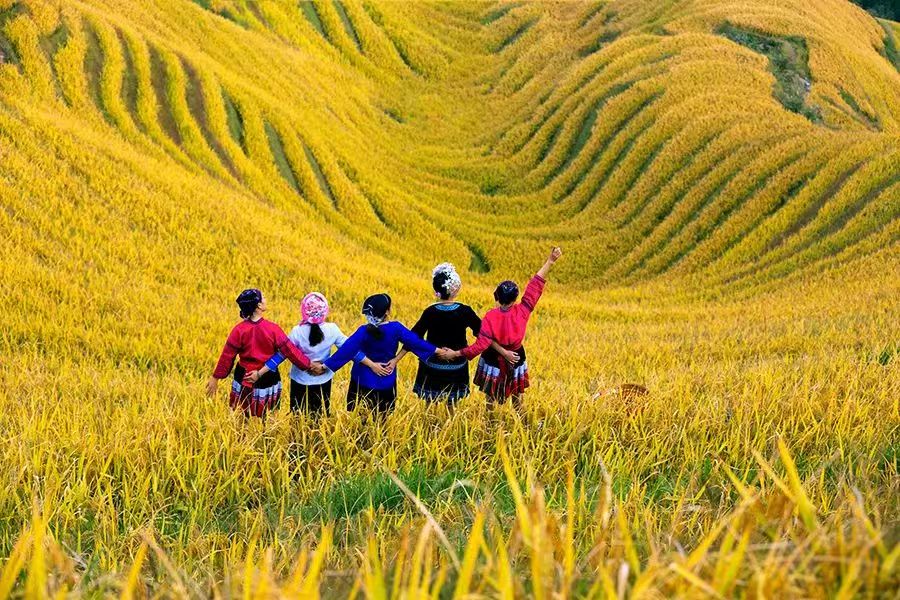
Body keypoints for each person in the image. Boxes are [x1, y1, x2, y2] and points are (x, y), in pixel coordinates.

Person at [443, 247, 562, 406]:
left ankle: (490, 421)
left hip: (492, 359)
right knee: (517, 397)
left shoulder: (490, 316)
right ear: (515, 298)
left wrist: (455, 353)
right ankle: (521, 419)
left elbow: (480, 346)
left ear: (497, 297)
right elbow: (535, 285)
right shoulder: (523, 311)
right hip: (516, 357)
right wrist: (550, 261)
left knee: (490, 399)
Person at [389, 263, 516, 405]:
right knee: (452, 405)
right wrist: (504, 352)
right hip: (456, 367)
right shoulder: (465, 311)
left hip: (432, 367)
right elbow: (485, 336)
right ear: (455, 289)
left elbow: (413, 338)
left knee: (429, 405)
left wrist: (395, 360)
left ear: (436, 291)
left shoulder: (430, 312)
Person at [244, 292, 390, 414]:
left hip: (300, 381)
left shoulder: (297, 331)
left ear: (303, 311)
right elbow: (350, 350)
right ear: (325, 311)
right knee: (320, 416)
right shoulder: (332, 329)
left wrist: (259, 373)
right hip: (323, 381)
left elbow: (281, 355)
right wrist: (372, 365)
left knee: (297, 416)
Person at [322, 293, 451, 414]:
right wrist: (439, 351)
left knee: (360, 414)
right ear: (387, 312)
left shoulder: (363, 331)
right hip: (386, 379)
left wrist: (325, 366)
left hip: (362, 379)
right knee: (383, 416)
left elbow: (346, 350)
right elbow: (416, 342)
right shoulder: (395, 328)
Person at [207, 289, 325, 418]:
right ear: (258, 305)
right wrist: (309, 365)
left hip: (243, 376)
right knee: (267, 416)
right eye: (263, 297)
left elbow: (227, 356)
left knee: (241, 414)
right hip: (267, 377)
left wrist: (215, 377)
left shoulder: (238, 330)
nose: (266, 299)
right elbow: (290, 351)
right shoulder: (273, 329)